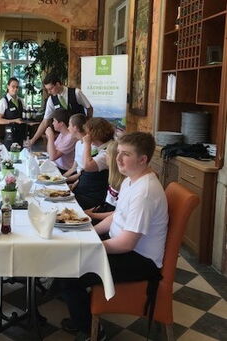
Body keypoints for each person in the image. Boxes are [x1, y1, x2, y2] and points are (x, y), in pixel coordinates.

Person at [58, 132, 168, 341]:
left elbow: (127, 243)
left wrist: (91, 246)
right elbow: (117, 217)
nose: (118, 159)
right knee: (69, 247)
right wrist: (89, 232)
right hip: (124, 248)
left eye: (126, 154)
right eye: (118, 152)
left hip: (140, 260)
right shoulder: (131, 180)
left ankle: (92, 331)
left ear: (143, 159)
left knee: (68, 271)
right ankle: (80, 309)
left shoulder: (145, 192)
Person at [29, 73, 93, 146]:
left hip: (80, 133)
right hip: (65, 136)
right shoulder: (51, 100)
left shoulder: (76, 93)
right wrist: (33, 140)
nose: (49, 92)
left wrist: (87, 124)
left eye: (51, 89)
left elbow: (89, 108)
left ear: (58, 84)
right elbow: (45, 122)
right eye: (47, 90)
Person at [72, 117, 114, 209]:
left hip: (92, 198)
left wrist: (87, 144)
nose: (85, 135)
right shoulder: (99, 147)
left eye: (87, 133)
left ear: (93, 134)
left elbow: (87, 166)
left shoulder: (108, 151)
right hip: (84, 192)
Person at [83, 140, 125, 224]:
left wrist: (92, 215)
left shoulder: (124, 182)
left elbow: (118, 213)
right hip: (103, 211)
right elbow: (107, 203)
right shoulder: (113, 176)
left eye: (107, 154)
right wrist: (91, 211)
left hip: (110, 220)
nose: (105, 157)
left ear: (113, 158)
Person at [0, 77, 26, 150]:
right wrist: (14, 120)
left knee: (21, 154)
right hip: (10, 135)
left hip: (21, 134)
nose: (15, 89)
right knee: (9, 154)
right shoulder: (4, 101)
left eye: (17, 87)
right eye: (13, 86)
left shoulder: (21, 101)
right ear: (8, 86)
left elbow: (23, 117)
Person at [45, 108, 78, 174]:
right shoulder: (62, 133)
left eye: (54, 121)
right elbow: (50, 152)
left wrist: (51, 137)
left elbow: (52, 157)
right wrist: (50, 138)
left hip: (65, 171)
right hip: (56, 166)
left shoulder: (70, 138)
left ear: (61, 123)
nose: (53, 123)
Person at [63, 113, 88, 185]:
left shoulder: (89, 147)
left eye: (69, 125)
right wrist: (61, 177)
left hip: (83, 180)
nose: (68, 128)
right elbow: (73, 168)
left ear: (75, 128)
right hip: (77, 177)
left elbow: (83, 174)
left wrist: (64, 180)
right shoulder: (78, 143)